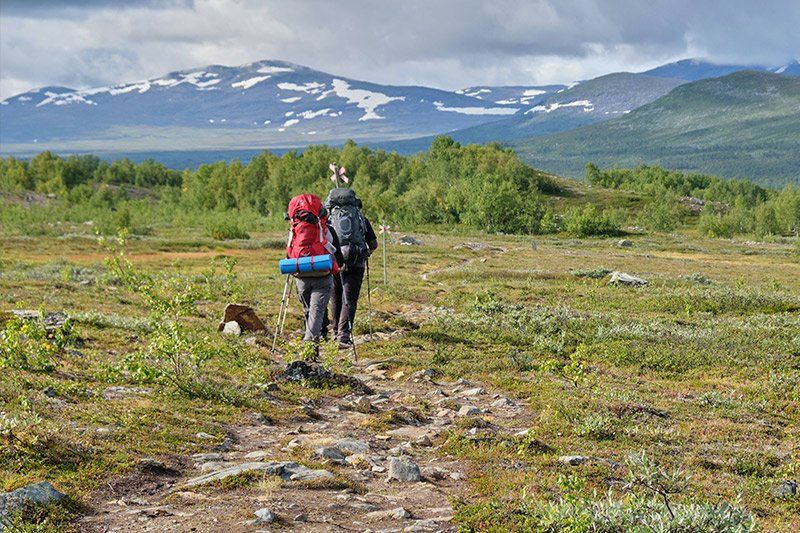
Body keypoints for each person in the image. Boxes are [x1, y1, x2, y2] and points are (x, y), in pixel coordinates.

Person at [285, 193, 344, 357]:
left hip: (301, 275)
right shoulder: (326, 228)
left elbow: (289, 253)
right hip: (322, 275)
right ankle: (310, 348)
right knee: (316, 312)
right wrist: (340, 265)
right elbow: (337, 253)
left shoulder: (294, 229)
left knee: (308, 310)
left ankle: (311, 347)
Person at [324, 188, 378, 349]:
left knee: (336, 296)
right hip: (356, 261)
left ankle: (334, 332)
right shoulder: (361, 218)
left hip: (334, 262)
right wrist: (366, 253)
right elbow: (374, 244)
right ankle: (344, 336)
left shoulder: (328, 220)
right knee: (350, 299)